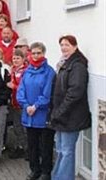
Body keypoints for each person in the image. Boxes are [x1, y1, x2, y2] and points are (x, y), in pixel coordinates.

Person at [50, 35, 91, 180]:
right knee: (61, 150)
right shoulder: (65, 63)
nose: (63, 48)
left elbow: (75, 91)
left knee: (67, 151)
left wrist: (60, 111)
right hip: (62, 115)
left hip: (71, 115)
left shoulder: (77, 65)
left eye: (67, 45)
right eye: (61, 45)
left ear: (74, 46)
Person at [17, 42, 56, 180]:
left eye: (38, 53)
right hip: (29, 115)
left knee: (46, 146)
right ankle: (35, 170)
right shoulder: (27, 71)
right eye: (33, 53)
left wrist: (36, 106)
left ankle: (46, 172)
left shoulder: (49, 72)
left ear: (44, 54)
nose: (36, 55)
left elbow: (47, 93)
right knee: (32, 145)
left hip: (43, 115)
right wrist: (26, 105)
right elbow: (20, 91)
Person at [7, 49, 28, 159]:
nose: (15, 60)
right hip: (14, 103)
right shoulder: (13, 70)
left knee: (25, 128)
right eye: (14, 58)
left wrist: (14, 86)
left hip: (23, 104)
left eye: (18, 58)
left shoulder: (26, 71)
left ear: (23, 59)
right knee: (17, 127)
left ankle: (29, 149)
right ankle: (21, 147)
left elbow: (26, 87)